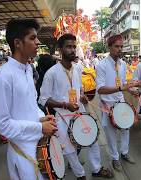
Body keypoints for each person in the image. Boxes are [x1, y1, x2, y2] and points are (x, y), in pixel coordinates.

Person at [0, 18, 57, 180]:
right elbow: (0, 124)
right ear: (18, 43)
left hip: (38, 146)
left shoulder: (27, 70)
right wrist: (39, 128)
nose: (38, 42)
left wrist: (41, 118)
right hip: (23, 152)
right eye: (32, 38)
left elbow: (29, 105)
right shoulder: (3, 77)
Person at [39, 34, 113, 179]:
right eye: (68, 46)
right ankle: (80, 175)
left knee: (92, 140)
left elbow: (78, 89)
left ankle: (96, 169)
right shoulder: (51, 73)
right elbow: (43, 99)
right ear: (60, 49)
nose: (73, 50)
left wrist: (82, 95)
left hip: (80, 112)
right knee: (69, 150)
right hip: (62, 116)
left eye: (74, 46)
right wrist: (65, 105)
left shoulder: (78, 68)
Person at [95, 34, 137, 172]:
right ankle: (115, 157)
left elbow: (123, 83)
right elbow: (100, 89)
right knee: (111, 133)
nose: (119, 49)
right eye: (116, 46)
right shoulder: (101, 65)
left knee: (125, 129)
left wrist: (131, 90)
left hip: (121, 102)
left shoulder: (123, 64)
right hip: (107, 105)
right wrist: (121, 88)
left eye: (121, 46)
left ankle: (124, 153)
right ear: (109, 47)